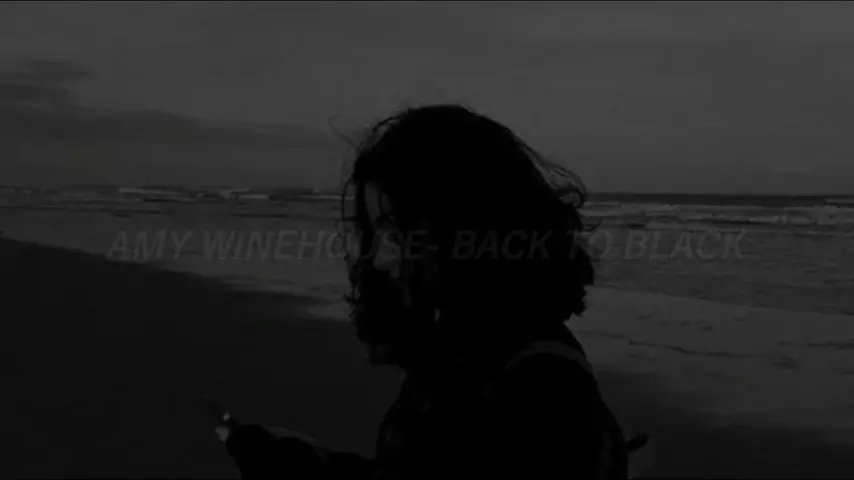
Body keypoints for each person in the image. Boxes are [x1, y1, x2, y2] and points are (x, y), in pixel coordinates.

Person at [218, 104, 644, 479]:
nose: (379, 259)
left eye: (394, 231)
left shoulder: (541, 396)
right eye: (375, 234)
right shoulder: (470, 352)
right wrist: (309, 464)